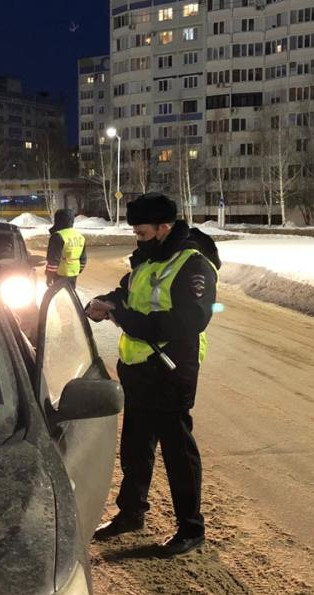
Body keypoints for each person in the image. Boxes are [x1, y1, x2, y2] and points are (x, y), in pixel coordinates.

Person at [86, 192, 220, 558]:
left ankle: (191, 528)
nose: (137, 238)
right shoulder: (147, 259)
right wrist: (105, 304)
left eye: (142, 232)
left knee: (178, 453)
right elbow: (127, 293)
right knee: (135, 448)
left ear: (164, 227)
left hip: (172, 370)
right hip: (139, 370)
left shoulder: (193, 264)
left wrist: (124, 318)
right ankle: (131, 514)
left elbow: (190, 320)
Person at [45, 208, 87, 289]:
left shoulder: (58, 236)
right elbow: (83, 260)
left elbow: (53, 260)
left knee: (60, 294)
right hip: (74, 274)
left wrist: (49, 277)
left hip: (60, 274)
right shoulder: (80, 236)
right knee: (70, 293)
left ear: (58, 220)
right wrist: (77, 271)